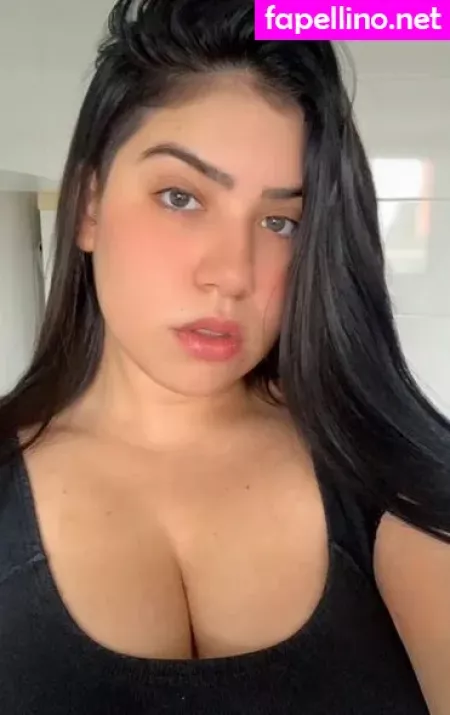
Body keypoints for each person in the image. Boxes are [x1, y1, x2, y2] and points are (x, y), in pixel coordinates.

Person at [0, 0, 449, 712]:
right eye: (181, 197)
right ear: (87, 205)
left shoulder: (378, 473)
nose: (233, 274)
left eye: (280, 221)